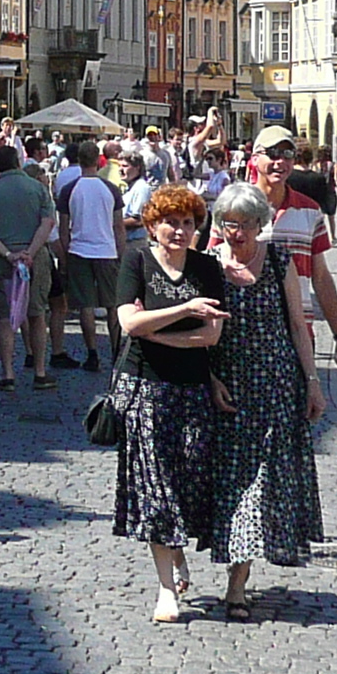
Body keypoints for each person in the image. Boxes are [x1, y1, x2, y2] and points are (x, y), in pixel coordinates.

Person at [205, 183, 337, 619]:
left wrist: (312, 382)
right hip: (227, 385)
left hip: (276, 383)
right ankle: (225, 568)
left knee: (263, 479)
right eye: (230, 223)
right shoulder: (207, 267)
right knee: (229, 480)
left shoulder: (278, 260)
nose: (237, 232)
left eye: (246, 224)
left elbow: (298, 327)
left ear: (260, 224)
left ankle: (237, 584)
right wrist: (208, 379)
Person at [111, 185, 229, 623]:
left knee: (190, 482)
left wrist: (155, 329)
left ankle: (177, 549)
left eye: (187, 223)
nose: (178, 231)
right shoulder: (137, 260)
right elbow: (127, 321)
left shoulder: (206, 267)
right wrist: (186, 309)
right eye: (170, 222)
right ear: (152, 225)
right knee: (156, 488)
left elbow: (211, 336)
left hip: (193, 389)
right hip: (146, 387)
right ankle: (165, 590)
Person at [0, 144, 58, 390]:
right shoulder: (38, 188)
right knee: (37, 313)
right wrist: (30, 252)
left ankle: (7, 374)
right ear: (18, 162)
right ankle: (40, 371)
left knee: (4, 316)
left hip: (3, 258)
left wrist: (8, 254)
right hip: (35, 257)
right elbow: (48, 222)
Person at [54, 136, 128, 375]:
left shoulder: (69, 189)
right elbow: (119, 226)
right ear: (98, 160)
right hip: (106, 251)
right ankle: (116, 352)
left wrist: (64, 257)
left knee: (85, 304)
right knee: (112, 305)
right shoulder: (111, 189)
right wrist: (121, 252)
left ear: (78, 160)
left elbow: (63, 227)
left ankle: (92, 353)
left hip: (78, 250)